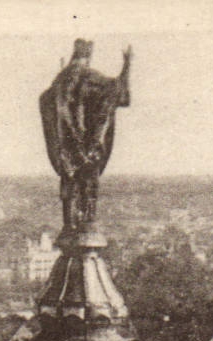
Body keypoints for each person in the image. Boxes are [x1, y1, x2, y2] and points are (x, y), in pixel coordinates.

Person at [40, 40, 132, 232]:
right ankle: (87, 221)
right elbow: (118, 94)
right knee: (89, 183)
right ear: (88, 55)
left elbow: (47, 100)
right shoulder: (89, 76)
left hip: (65, 144)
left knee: (69, 182)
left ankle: (69, 223)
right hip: (88, 146)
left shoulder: (61, 79)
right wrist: (126, 66)